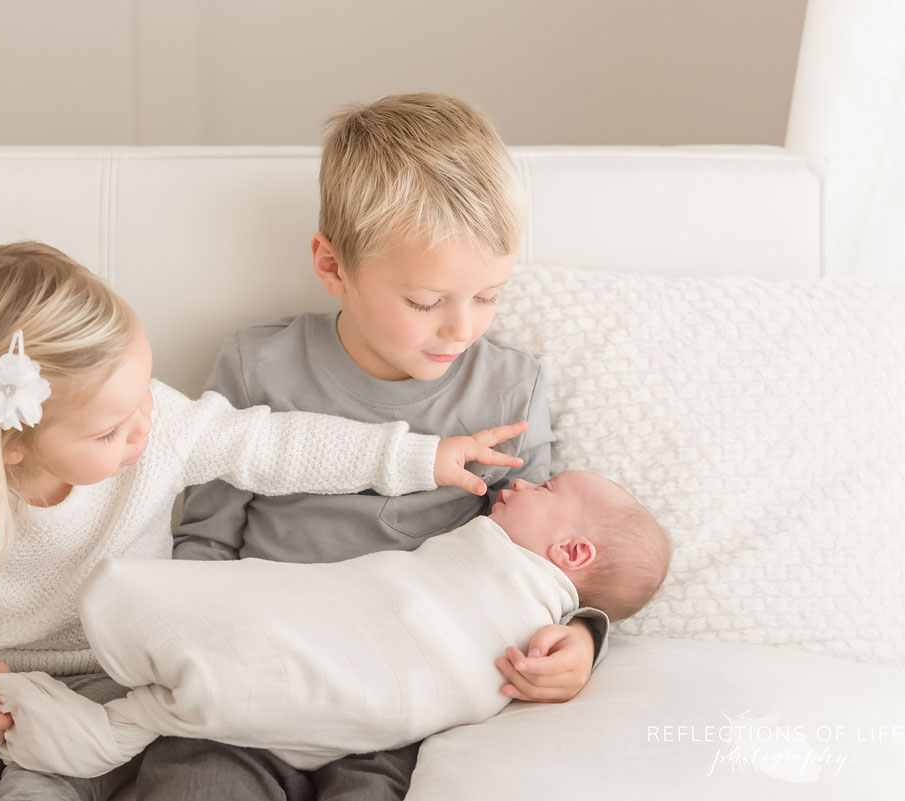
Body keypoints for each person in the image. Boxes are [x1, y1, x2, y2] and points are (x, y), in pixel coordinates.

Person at [0, 239, 530, 801]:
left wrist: (418, 457)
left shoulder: (158, 423)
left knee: (42, 787)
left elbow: (273, 445)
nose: (144, 428)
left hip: (107, 680)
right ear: (10, 443)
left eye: (143, 394)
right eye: (112, 428)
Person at [136, 92, 610, 801]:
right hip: (256, 681)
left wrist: (582, 637)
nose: (461, 328)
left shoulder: (510, 388)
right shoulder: (260, 366)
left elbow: (539, 566)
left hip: (402, 703)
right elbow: (205, 541)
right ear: (333, 267)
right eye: (426, 301)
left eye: (489, 295)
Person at [0, 469, 671, 779]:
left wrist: (585, 634)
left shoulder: (529, 586)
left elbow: (567, 608)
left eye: (546, 490)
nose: (519, 484)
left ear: (572, 553)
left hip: (395, 715)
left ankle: (134, 709)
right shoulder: (264, 358)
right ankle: (134, 709)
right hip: (335, 629)